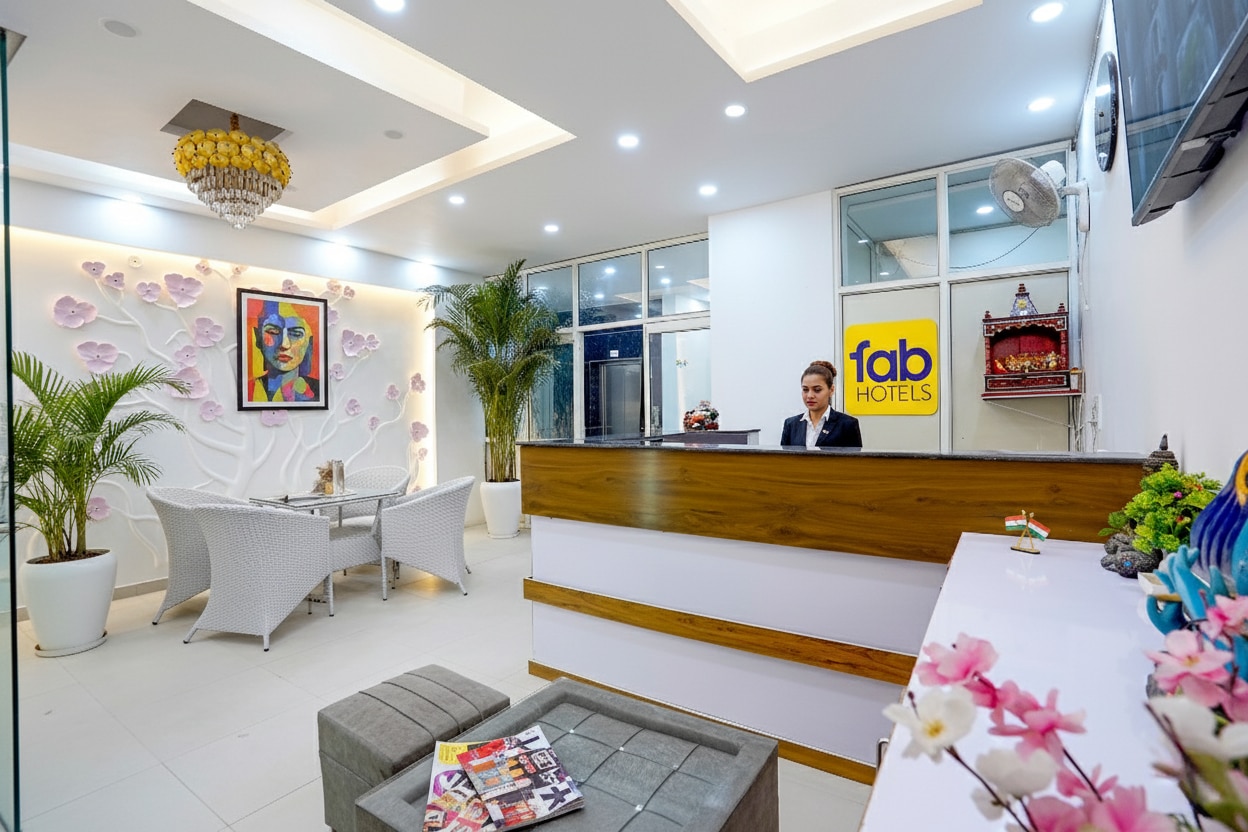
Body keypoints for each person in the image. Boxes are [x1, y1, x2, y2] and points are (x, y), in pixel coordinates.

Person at [780, 360, 862, 448]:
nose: (810, 396)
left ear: (831, 390)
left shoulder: (847, 424)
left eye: (817, 390)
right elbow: (783, 456)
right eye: (805, 390)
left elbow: (854, 457)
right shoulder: (791, 424)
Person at [250, 300, 320, 403]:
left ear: (308, 343)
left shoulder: (319, 392)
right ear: (258, 338)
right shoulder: (247, 391)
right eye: (273, 332)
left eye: (296, 334)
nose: (284, 344)